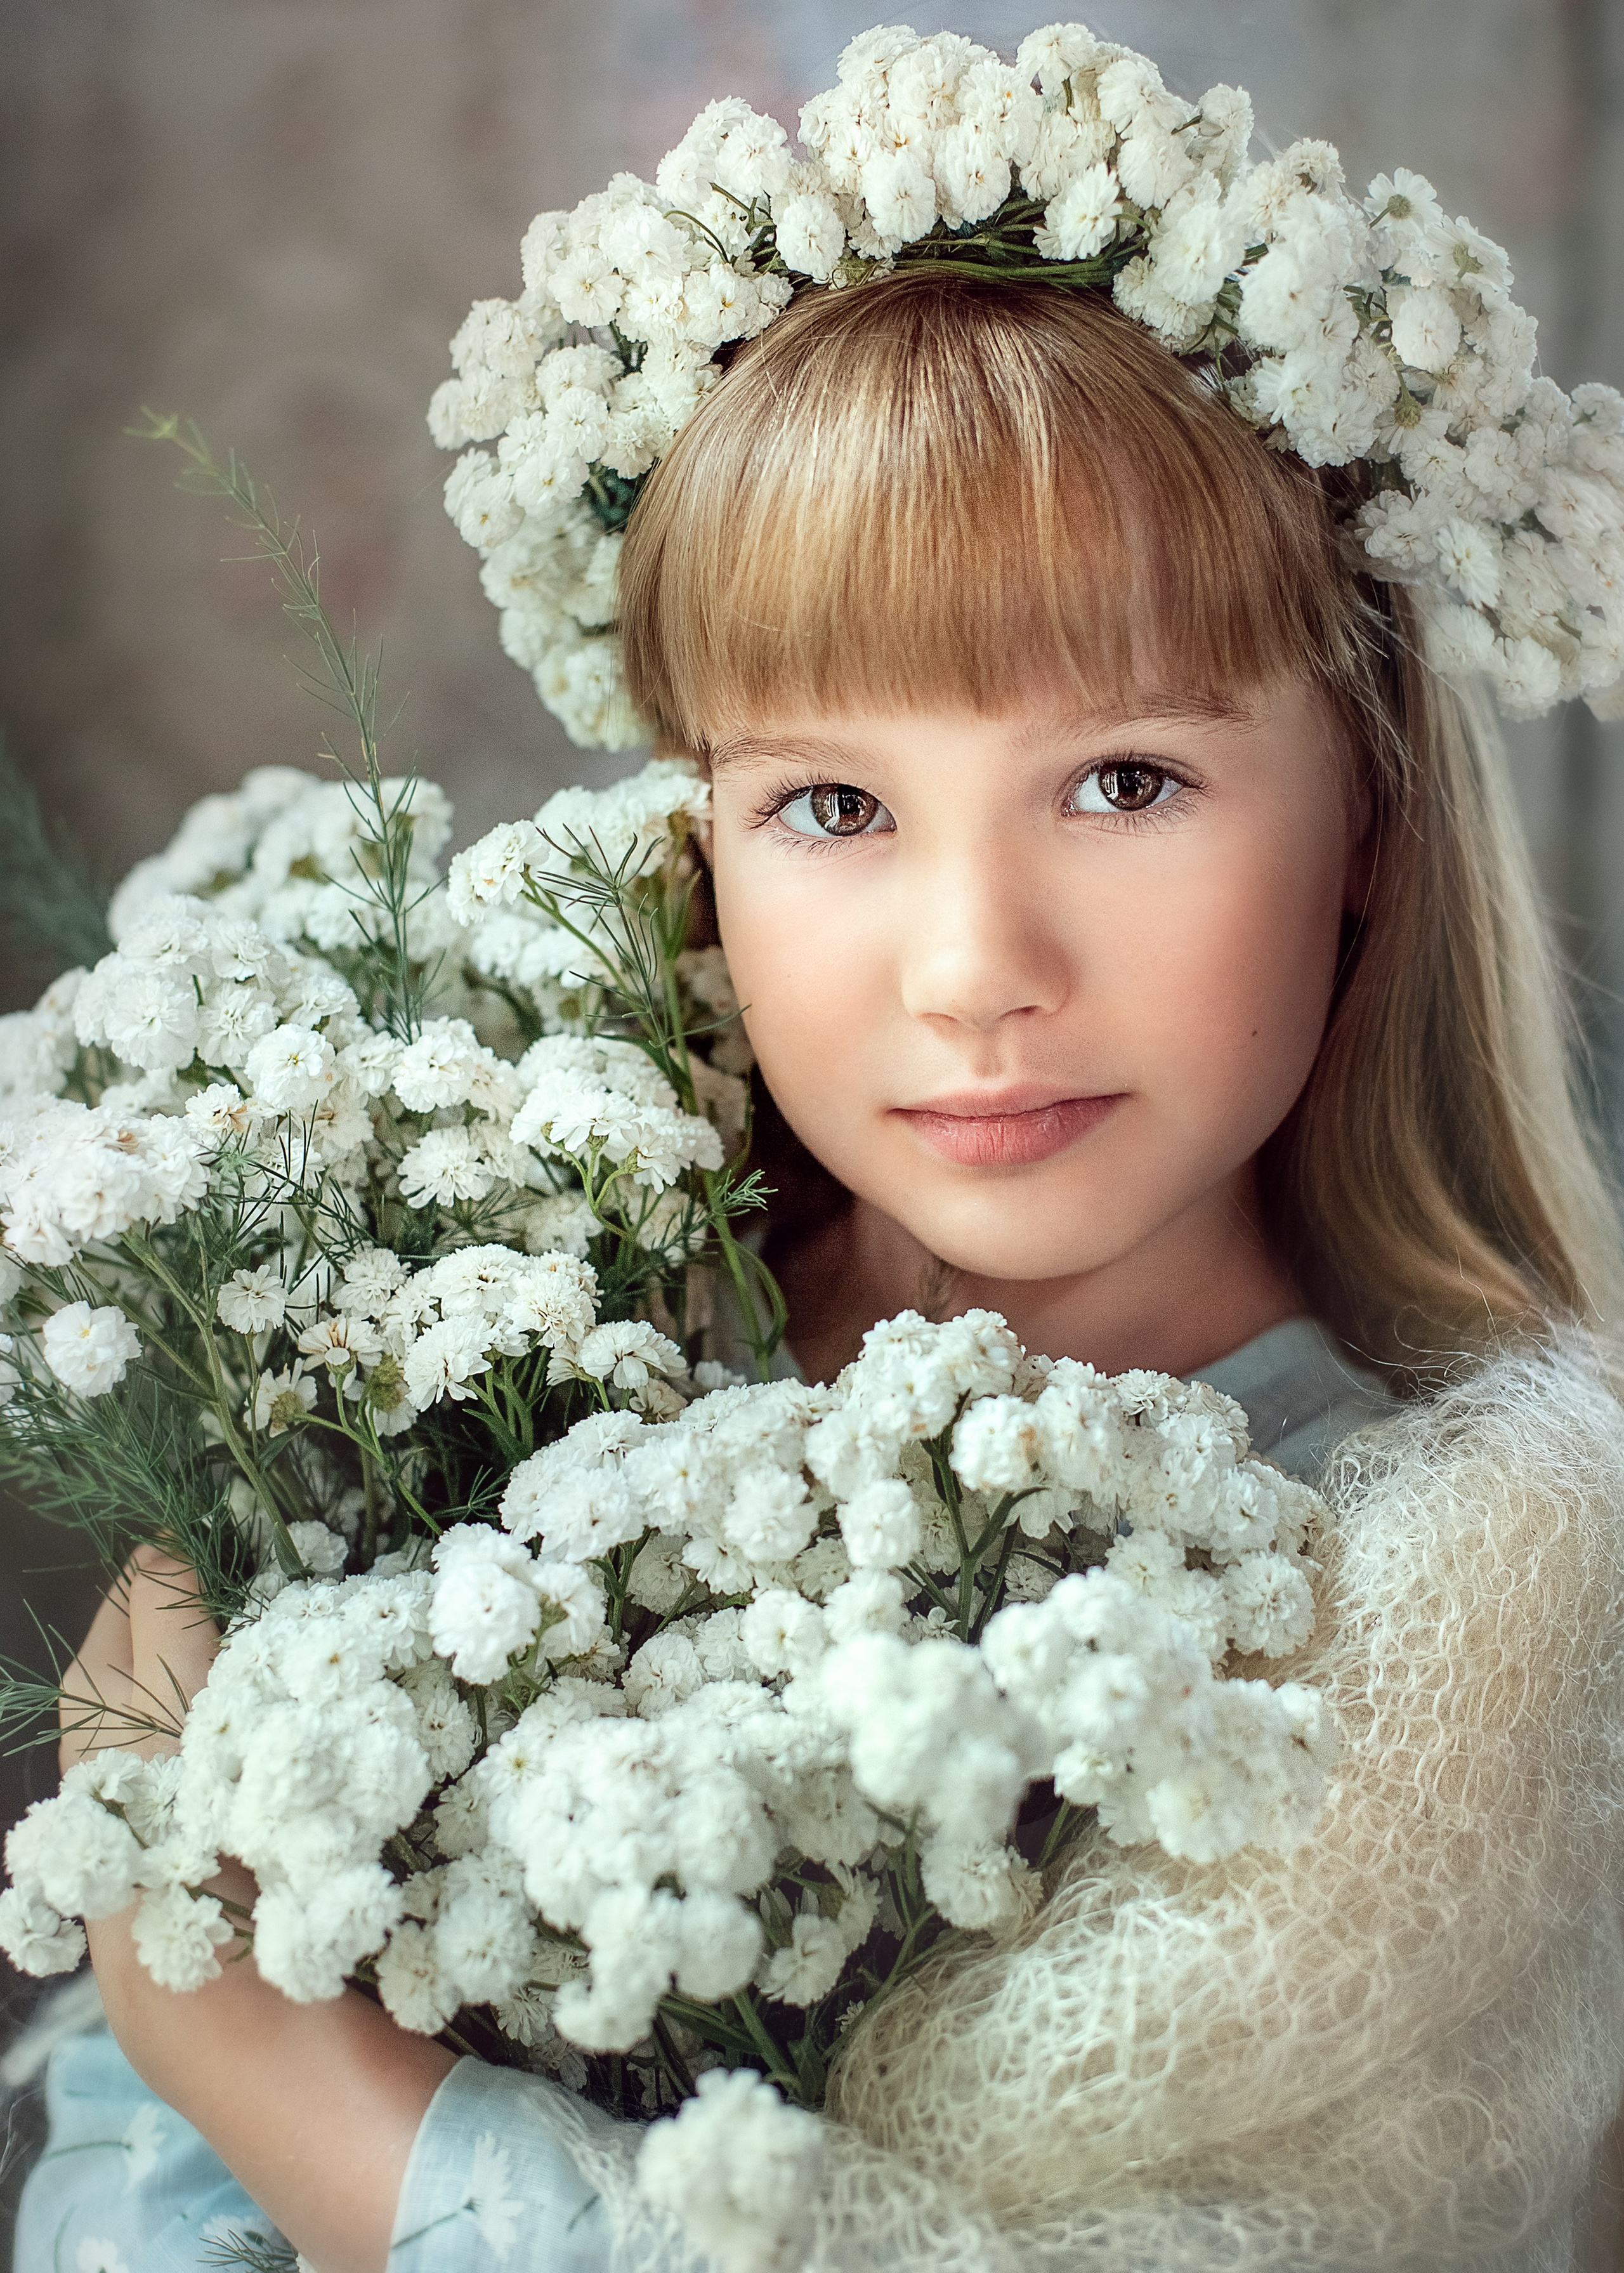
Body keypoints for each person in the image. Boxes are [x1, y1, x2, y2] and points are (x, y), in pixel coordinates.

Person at [14, 45, 1624, 2273]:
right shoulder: (485, 1367)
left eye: (1126, 783)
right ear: (702, 828)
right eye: (835, 806)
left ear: (1368, 808)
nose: (973, 973)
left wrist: (235, 2029)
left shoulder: (1466, 1599)